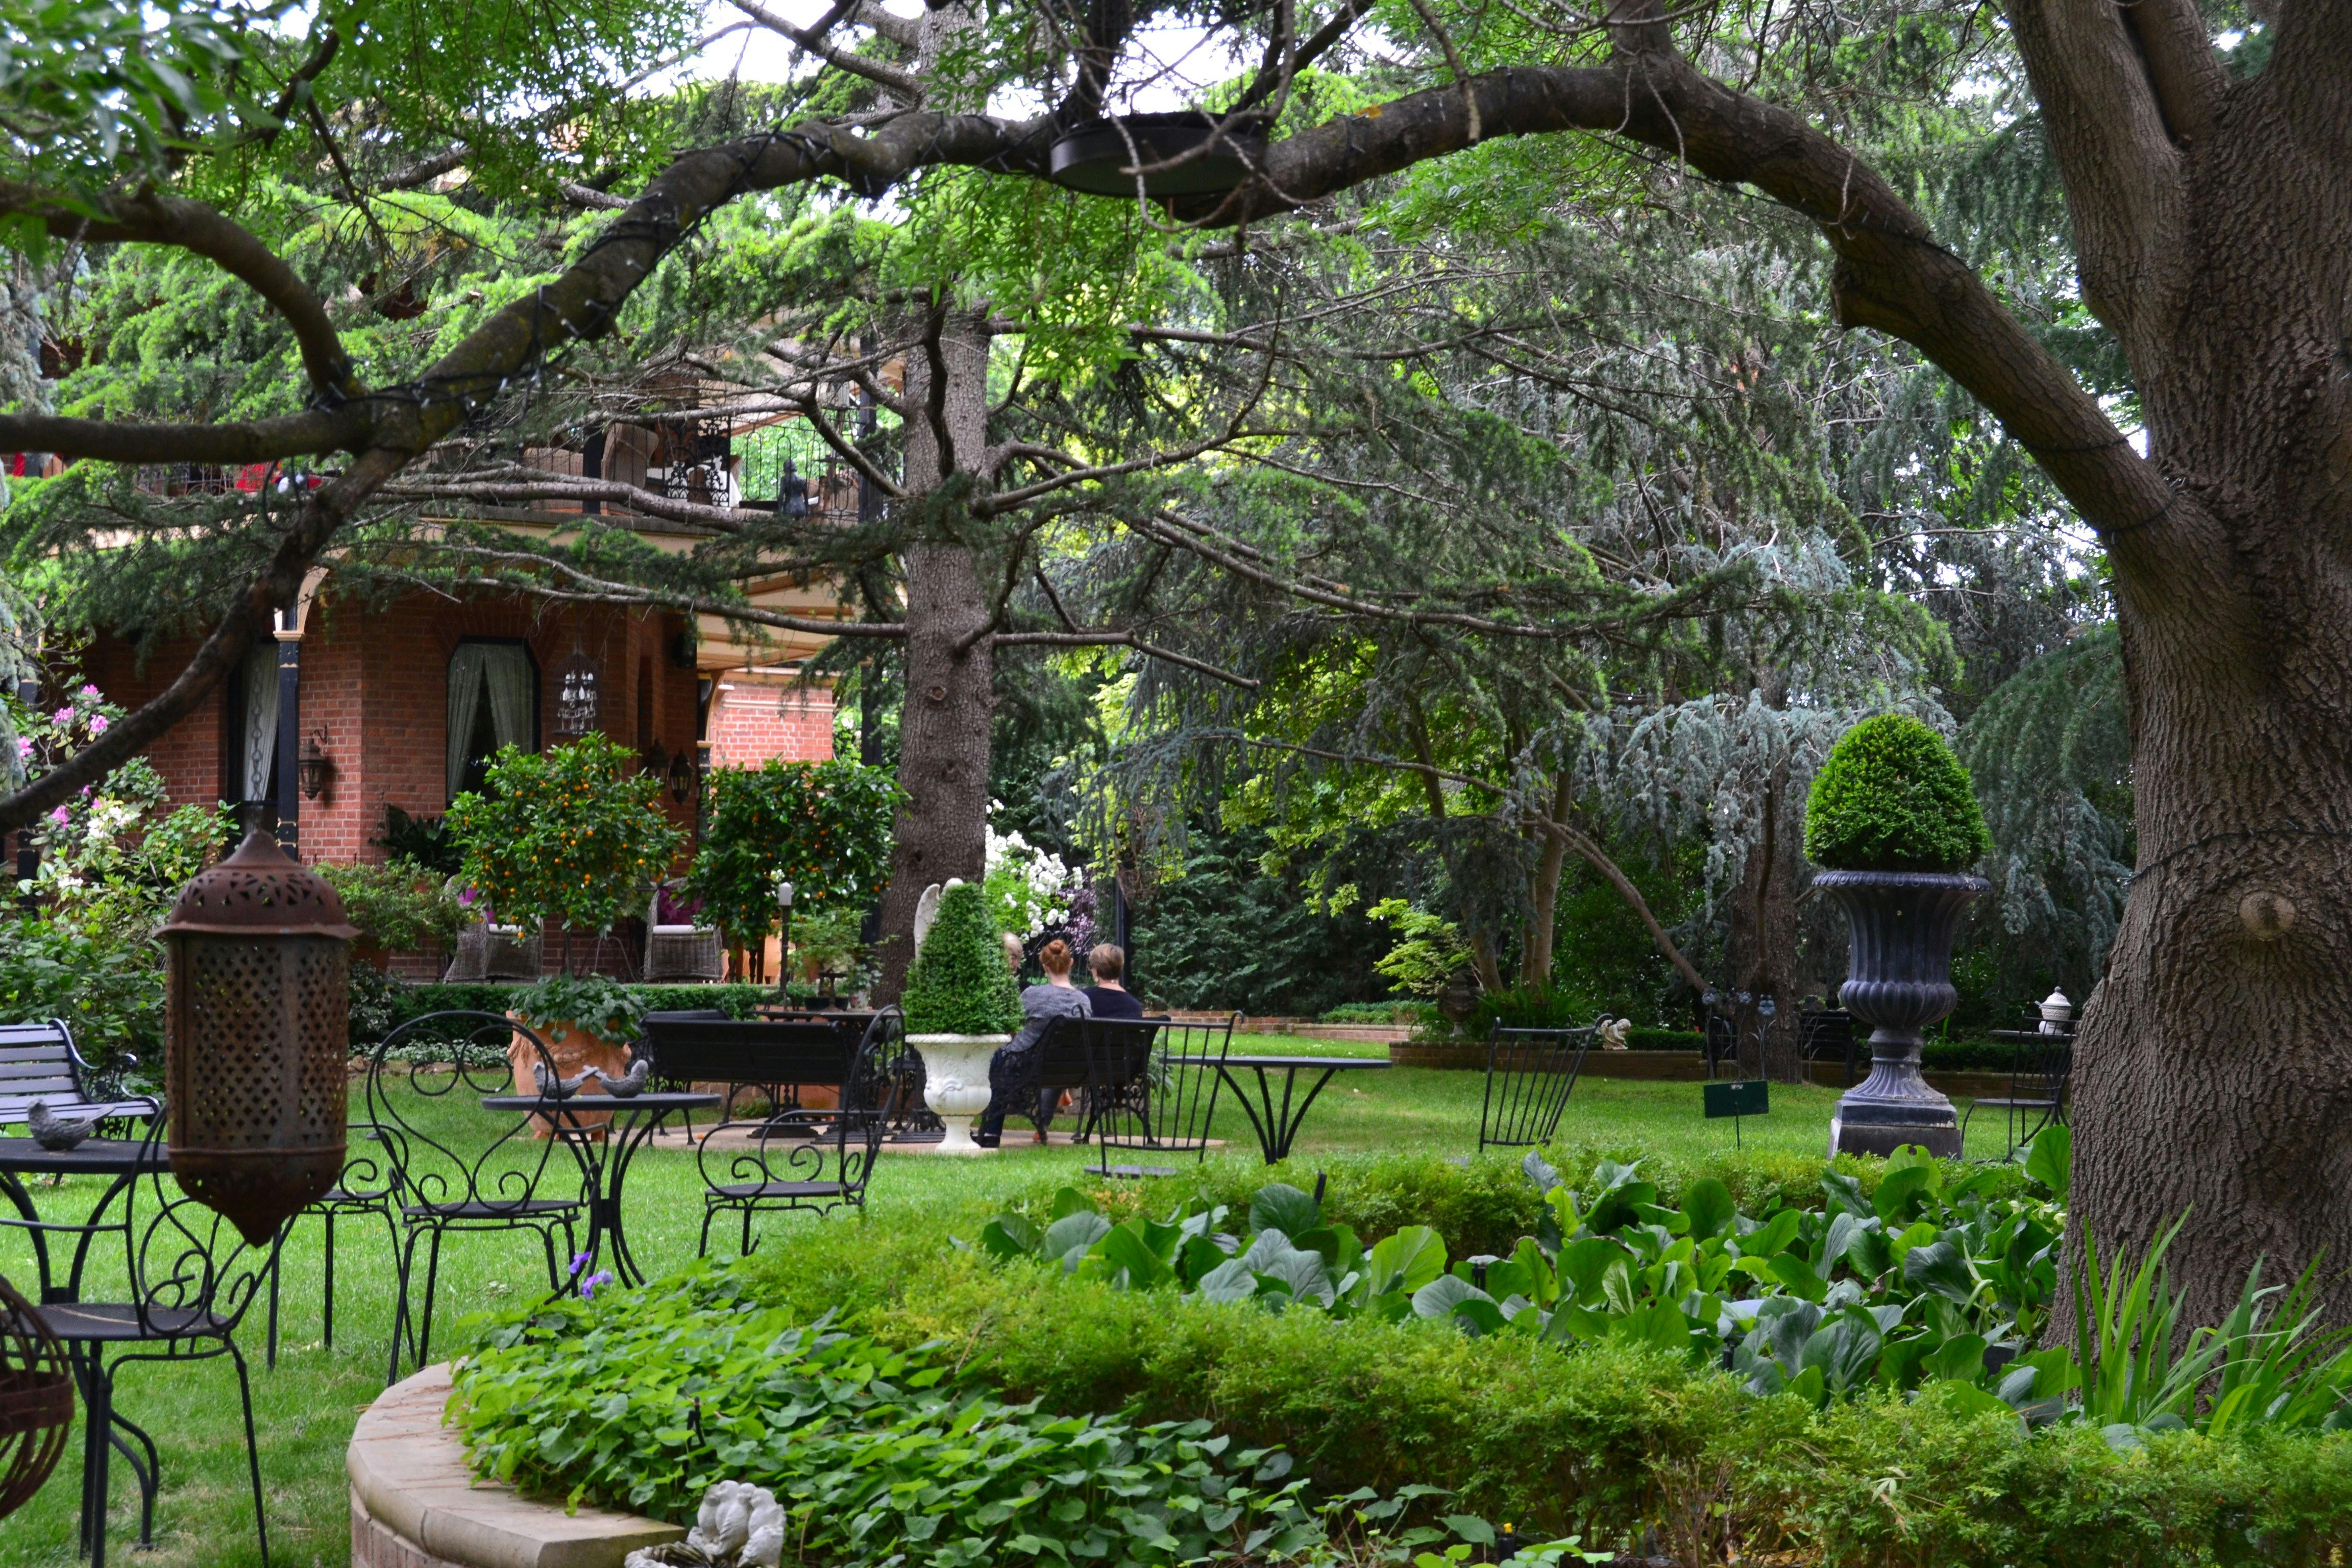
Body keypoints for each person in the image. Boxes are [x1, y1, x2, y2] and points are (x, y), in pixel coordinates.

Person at [975, 938, 1090, 1147]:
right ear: (1071, 963)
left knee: (999, 1056)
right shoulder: (1084, 1001)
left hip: (1024, 1066)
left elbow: (1011, 1025)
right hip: (1067, 1070)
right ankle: (1041, 1124)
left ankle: (991, 1133)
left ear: (1045, 967)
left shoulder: (1033, 995)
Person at [1082, 943, 1144, 1020]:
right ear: (1120, 968)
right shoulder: (1134, 1006)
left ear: (1096, 971)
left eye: (1091, 967)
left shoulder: (1083, 998)